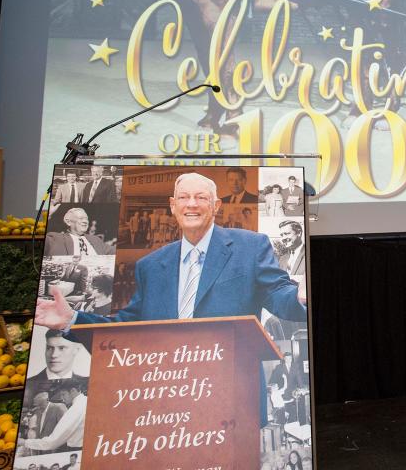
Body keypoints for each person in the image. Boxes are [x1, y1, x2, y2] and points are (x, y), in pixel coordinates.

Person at [35, 172, 307, 423]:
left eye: (201, 198)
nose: (192, 204)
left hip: (232, 394)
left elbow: (277, 295)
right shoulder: (150, 266)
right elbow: (127, 329)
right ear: (173, 205)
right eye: (184, 197)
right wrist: (72, 320)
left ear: (216, 206)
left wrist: (299, 297)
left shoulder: (250, 246)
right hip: (166, 398)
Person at [20, 378, 87, 452]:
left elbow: (53, 441)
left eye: (63, 394)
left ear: (73, 391)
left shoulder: (75, 409)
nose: (62, 398)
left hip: (76, 449)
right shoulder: (86, 401)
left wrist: (24, 442)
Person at [24, 330, 89, 402]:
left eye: (61, 348)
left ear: (76, 350)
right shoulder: (29, 385)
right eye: (49, 348)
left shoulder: (88, 383)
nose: (53, 355)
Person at [43, 208, 113, 257]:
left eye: (86, 219)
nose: (85, 221)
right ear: (68, 222)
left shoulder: (96, 239)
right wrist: (47, 214)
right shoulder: (55, 238)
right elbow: (38, 236)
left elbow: (115, 250)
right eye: (81, 218)